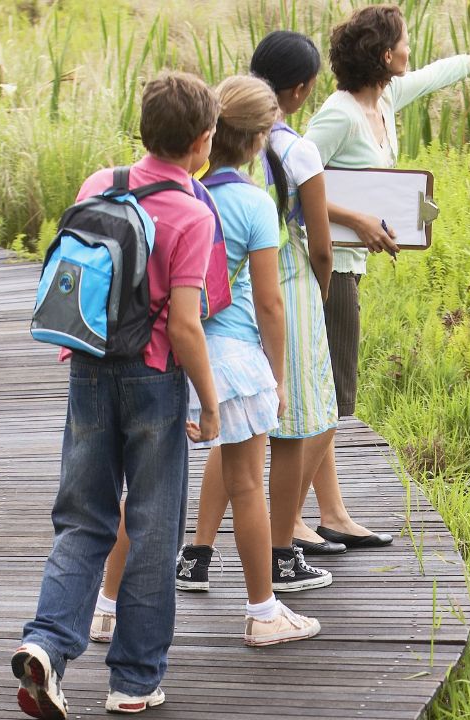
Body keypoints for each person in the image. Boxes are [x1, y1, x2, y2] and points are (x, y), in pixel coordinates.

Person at [296, 4, 470, 553]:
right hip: (327, 269)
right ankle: (287, 520)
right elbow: (296, 184)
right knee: (335, 396)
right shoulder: (339, 114)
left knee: (328, 391)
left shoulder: (384, 100)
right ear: (385, 55)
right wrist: (358, 219)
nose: (412, 50)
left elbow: (443, 72)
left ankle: (333, 514)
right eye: (405, 42)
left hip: (349, 266)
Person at [12, 70, 222, 719]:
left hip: (87, 367)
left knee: (84, 517)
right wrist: (210, 404)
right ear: (202, 142)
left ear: (143, 128)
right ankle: (133, 681)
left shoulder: (98, 184)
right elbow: (186, 323)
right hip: (154, 380)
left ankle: (46, 645)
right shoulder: (192, 212)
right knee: (155, 528)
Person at [93, 74, 324, 645]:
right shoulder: (251, 203)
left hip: (167, 355)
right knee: (248, 485)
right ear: (258, 140)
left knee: (141, 492)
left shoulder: (178, 190)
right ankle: (263, 613)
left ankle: (104, 606)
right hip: (235, 360)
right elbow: (270, 303)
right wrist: (278, 374)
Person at [177, 31, 339, 594]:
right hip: (262, 321)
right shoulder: (261, 190)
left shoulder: (188, 192)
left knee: (224, 447)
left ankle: (191, 556)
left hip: (188, 336)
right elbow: (295, 273)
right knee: (296, 427)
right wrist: (282, 365)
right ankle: (277, 563)